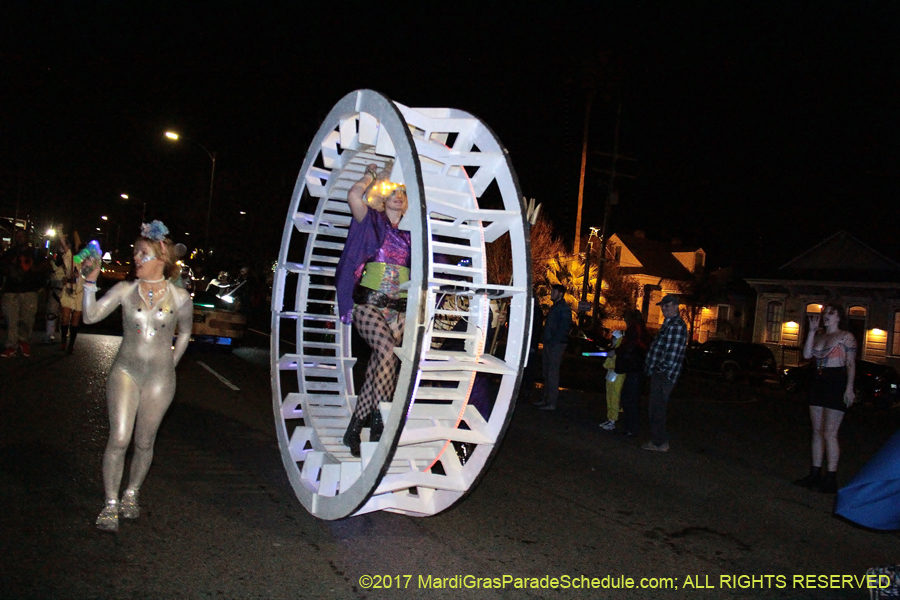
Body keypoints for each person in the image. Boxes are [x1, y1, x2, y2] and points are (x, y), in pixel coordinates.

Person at [81, 221, 193, 532]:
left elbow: (185, 332)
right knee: (119, 438)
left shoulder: (180, 297)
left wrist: (171, 363)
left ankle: (131, 493)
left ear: (161, 257)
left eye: (142, 253)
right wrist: (89, 282)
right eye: (135, 253)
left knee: (144, 441)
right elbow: (90, 316)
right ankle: (110, 503)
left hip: (160, 378)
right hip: (125, 371)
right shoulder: (125, 290)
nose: (136, 258)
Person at [335, 163, 411, 456]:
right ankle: (379, 421)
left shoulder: (412, 233)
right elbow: (354, 195)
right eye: (392, 192)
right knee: (387, 352)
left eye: (403, 193)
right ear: (382, 196)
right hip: (369, 304)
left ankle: (354, 430)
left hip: (399, 309)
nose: (398, 196)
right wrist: (372, 176)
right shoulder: (372, 221)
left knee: (382, 365)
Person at [794, 303, 857, 493]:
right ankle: (814, 474)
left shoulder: (846, 337)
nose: (826, 316)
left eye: (831, 313)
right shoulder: (819, 336)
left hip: (836, 382)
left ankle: (830, 478)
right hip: (818, 382)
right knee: (817, 431)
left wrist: (849, 388)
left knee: (830, 433)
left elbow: (851, 364)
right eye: (825, 313)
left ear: (839, 317)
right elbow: (807, 355)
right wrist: (812, 331)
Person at [642, 294, 687, 452]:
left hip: (664, 374)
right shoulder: (669, 324)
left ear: (676, 306)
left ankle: (660, 442)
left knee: (657, 409)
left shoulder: (676, 325)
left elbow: (671, 354)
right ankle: (658, 440)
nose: (664, 308)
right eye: (663, 305)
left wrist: (659, 368)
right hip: (661, 373)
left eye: (668, 305)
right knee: (655, 408)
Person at [1, 229, 50, 358]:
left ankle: (23, 340)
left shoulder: (35, 253)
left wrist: (34, 269)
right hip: (11, 290)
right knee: (11, 319)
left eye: (22, 235)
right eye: (17, 236)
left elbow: (47, 267)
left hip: (29, 290)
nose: (19, 238)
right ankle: (11, 345)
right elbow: (3, 267)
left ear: (27, 237)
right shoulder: (10, 253)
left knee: (27, 319)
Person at [534, 284, 572, 411]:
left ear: (560, 294)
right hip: (550, 343)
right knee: (547, 372)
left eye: (554, 292)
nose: (551, 294)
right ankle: (546, 399)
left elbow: (564, 328)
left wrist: (553, 341)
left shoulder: (563, 308)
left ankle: (551, 402)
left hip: (556, 344)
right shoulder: (556, 307)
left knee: (552, 373)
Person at [617, 308, 651, 437]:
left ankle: (631, 428)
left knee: (629, 398)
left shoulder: (633, 329)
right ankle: (630, 427)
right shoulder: (642, 329)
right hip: (638, 367)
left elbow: (628, 346)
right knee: (631, 398)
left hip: (634, 367)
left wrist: (618, 352)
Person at [57, 234, 85, 353]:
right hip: (69, 289)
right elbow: (66, 248)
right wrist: (60, 234)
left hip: (80, 293)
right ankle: (63, 341)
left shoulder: (90, 265)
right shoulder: (72, 259)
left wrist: (80, 276)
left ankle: (71, 344)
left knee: (75, 319)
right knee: (65, 317)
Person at [599, 330, 625, 430]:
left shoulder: (617, 352)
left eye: (614, 338)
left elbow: (610, 363)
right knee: (609, 397)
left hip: (616, 376)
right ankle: (610, 418)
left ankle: (612, 420)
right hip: (612, 376)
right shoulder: (615, 350)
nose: (612, 340)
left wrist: (606, 364)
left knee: (614, 397)